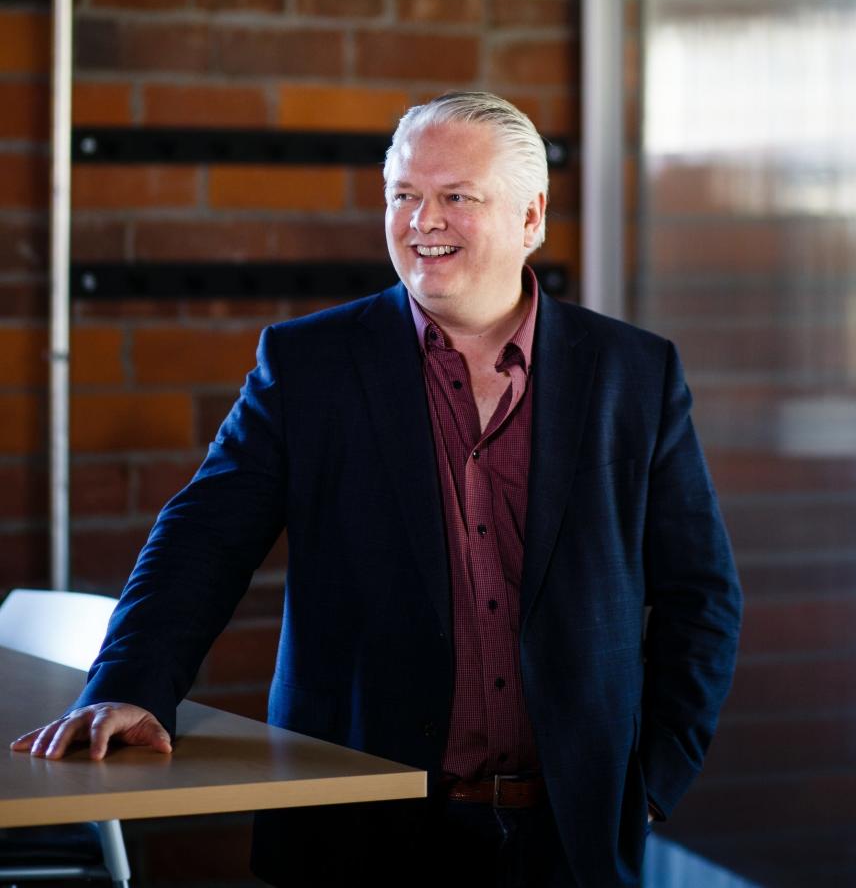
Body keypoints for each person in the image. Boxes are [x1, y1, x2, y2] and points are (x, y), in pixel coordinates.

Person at [12, 91, 742, 888]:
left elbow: (700, 594)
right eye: (403, 195)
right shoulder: (309, 365)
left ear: (531, 216)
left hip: (572, 839)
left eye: (456, 196)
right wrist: (130, 688)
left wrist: (652, 780)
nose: (422, 220)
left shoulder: (634, 374)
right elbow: (201, 539)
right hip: (360, 834)